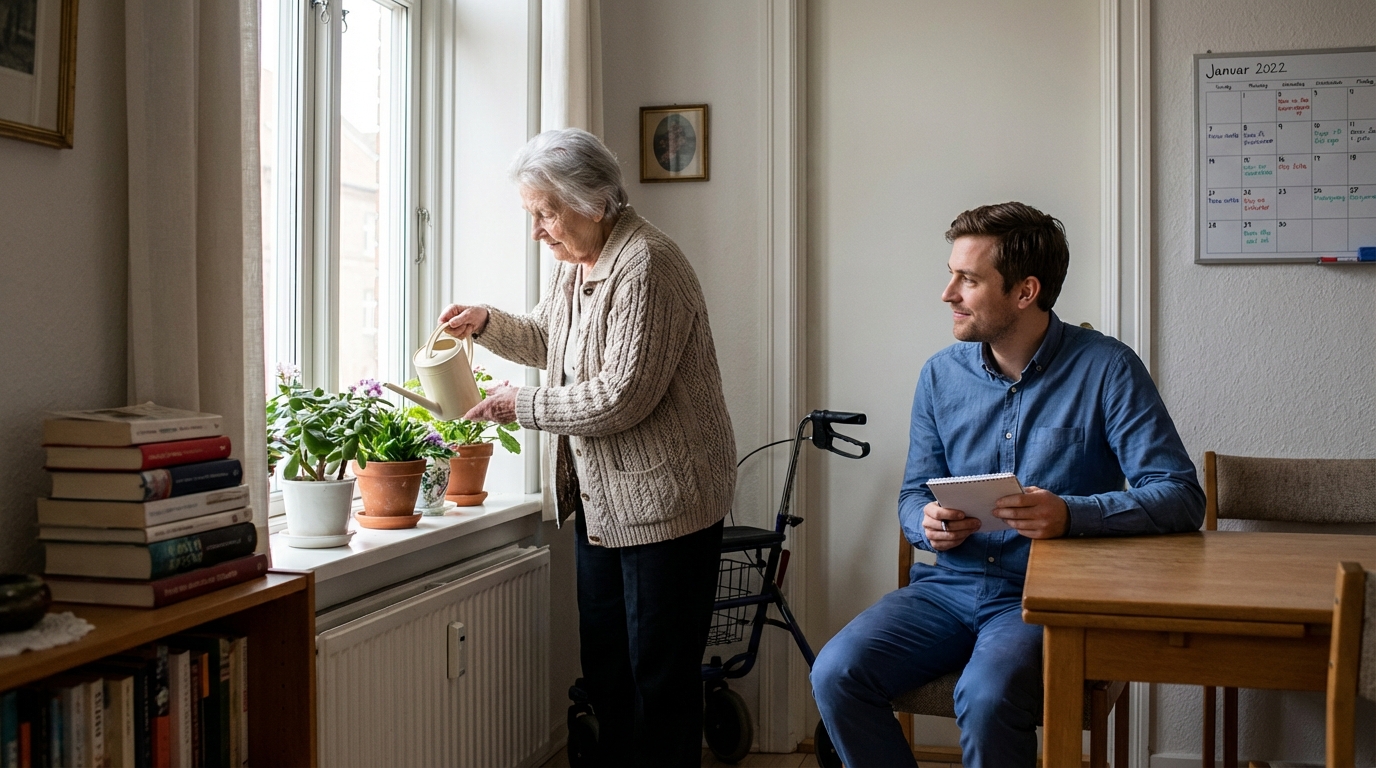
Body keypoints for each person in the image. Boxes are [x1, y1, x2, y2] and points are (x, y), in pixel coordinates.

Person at [810, 202, 1204, 767]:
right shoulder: (940, 376)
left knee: (987, 696)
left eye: (967, 279)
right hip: (948, 587)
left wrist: (1070, 514)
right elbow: (912, 494)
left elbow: (1181, 496)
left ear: (1025, 291)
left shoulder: (1109, 369)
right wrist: (924, 522)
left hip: (1046, 599)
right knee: (835, 671)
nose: (947, 293)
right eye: (952, 274)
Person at [438, 127, 736, 767]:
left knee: (659, 682)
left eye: (547, 213)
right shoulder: (580, 266)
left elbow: (621, 395)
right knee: (609, 674)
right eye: (533, 214)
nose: (538, 231)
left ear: (594, 200)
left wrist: (522, 404)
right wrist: (487, 323)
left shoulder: (648, 263)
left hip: (668, 507)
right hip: (605, 508)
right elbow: (551, 339)